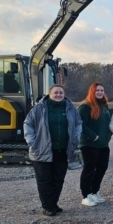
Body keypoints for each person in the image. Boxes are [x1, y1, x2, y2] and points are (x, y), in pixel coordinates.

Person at [23, 84, 81, 216]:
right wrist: (32, 142)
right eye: (55, 93)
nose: (58, 95)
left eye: (61, 93)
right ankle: (47, 207)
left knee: (58, 179)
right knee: (44, 180)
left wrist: (76, 138)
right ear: (49, 94)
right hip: (42, 151)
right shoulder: (39, 108)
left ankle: (54, 203)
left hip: (62, 150)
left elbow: (78, 123)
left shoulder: (70, 108)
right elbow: (28, 124)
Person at [78, 82, 112, 207]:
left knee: (102, 168)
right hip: (89, 144)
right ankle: (86, 195)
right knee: (89, 169)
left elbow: (107, 123)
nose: (100, 92)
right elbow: (80, 124)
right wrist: (93, 136)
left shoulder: (104, 106)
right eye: (97, 90)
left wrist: (108, 136)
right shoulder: (85, 107)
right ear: (92, 91)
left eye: (102, 90)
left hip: (103, 144)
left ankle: (94, 191)